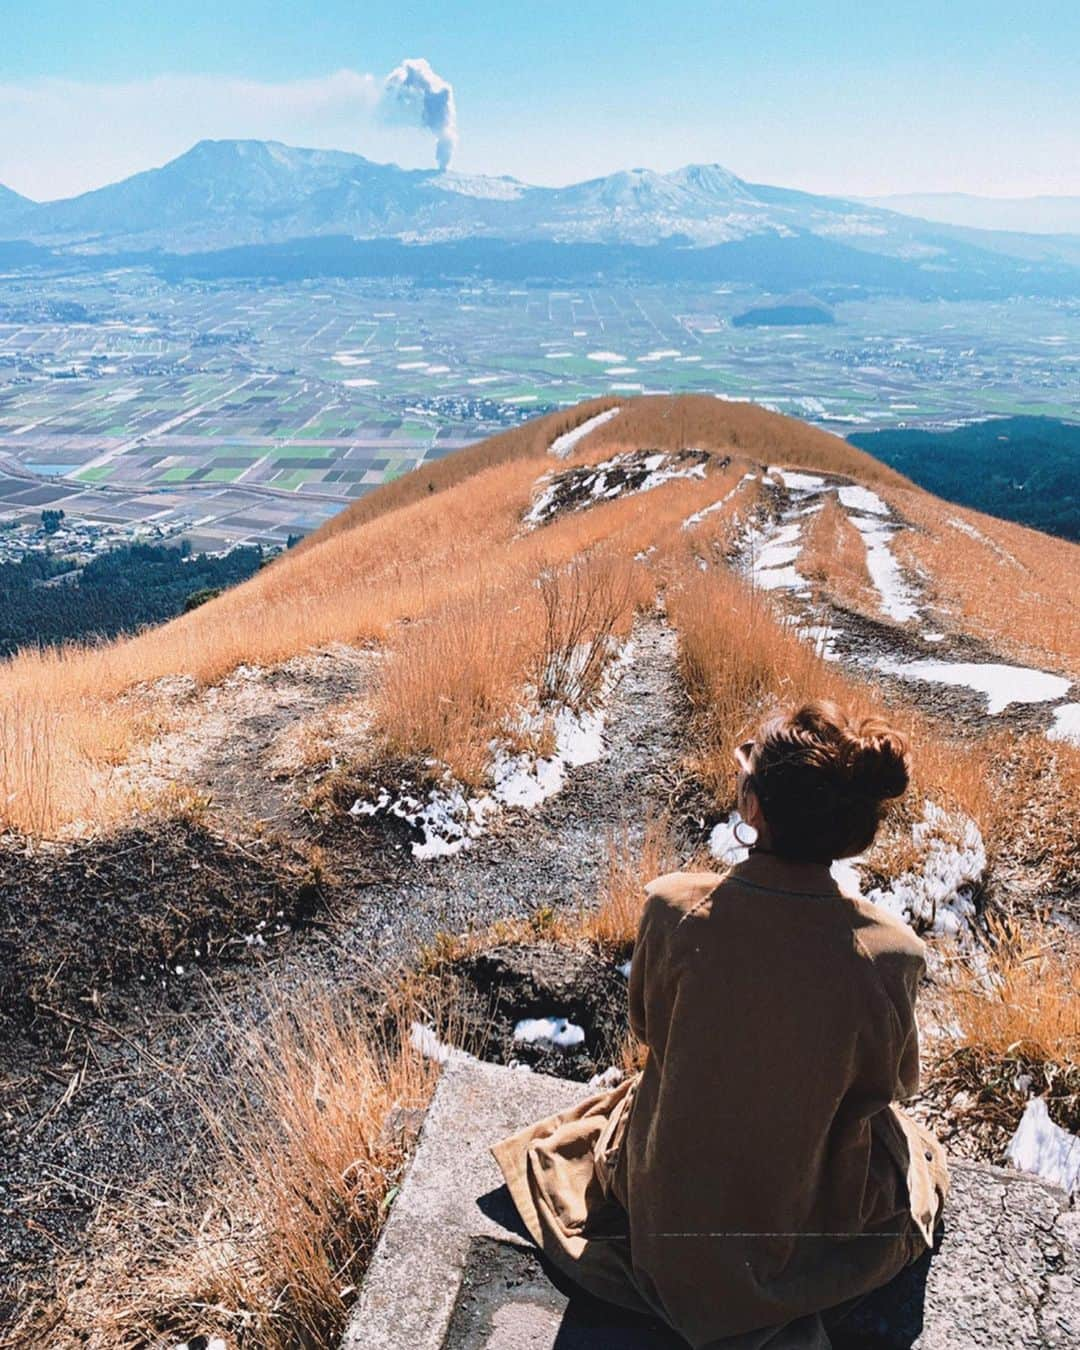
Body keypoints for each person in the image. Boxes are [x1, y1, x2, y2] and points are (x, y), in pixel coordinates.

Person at [492, 701, 949, 1349]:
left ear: (755, 808)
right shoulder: (892, 951)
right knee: (911, 1154)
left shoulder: (672, 905)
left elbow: (650, 1027)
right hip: (802, 1218)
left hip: (665, 1216)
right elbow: (889, 1085)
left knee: (631, 1109)